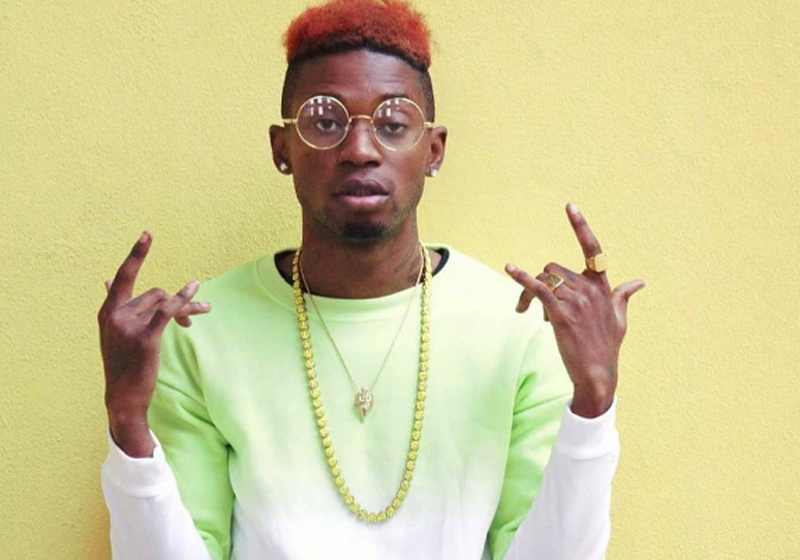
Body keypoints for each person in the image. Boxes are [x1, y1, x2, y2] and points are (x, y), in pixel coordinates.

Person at [97, 1, 645, 558]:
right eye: (325, 121)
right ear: (282, 149)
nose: (360, 150)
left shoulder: (520, 326)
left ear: (433, 151)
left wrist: (593, 402)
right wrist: (127, 418)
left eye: (393, 123)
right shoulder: (200, 331)